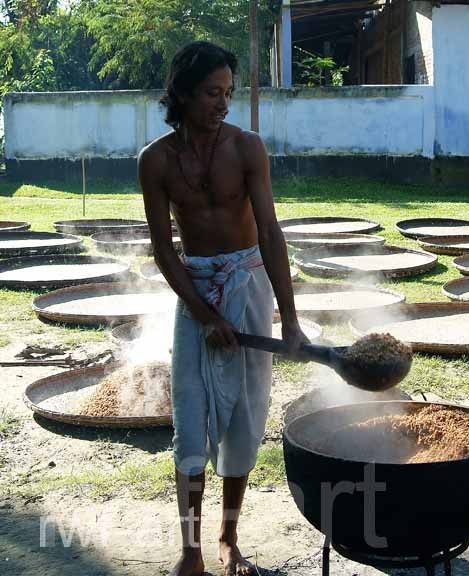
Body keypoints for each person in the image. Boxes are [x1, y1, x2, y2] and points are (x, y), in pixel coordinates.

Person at [138, 41, 308, 575]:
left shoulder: (247, 148)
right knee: (191, 422)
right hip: (196, 296)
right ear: (183, 94)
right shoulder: (155, 161)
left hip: (249, 286)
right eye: (212, 92)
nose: (223, 103)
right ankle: (190, 553)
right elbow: (165, 250)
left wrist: (291, 318)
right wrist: (205, 315)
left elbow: (271, 233)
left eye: (228, 92)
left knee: (246, 416)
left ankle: (228, 540)